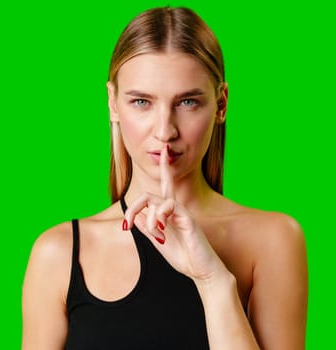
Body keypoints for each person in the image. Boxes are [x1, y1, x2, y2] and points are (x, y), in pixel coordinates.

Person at [22, 6, 307, 350]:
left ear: (221, 104)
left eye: (187, 102)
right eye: (141, 101)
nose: (164, 130)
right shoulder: (59, 253)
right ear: (113, 103)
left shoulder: (273, 240)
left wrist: (213, 281)